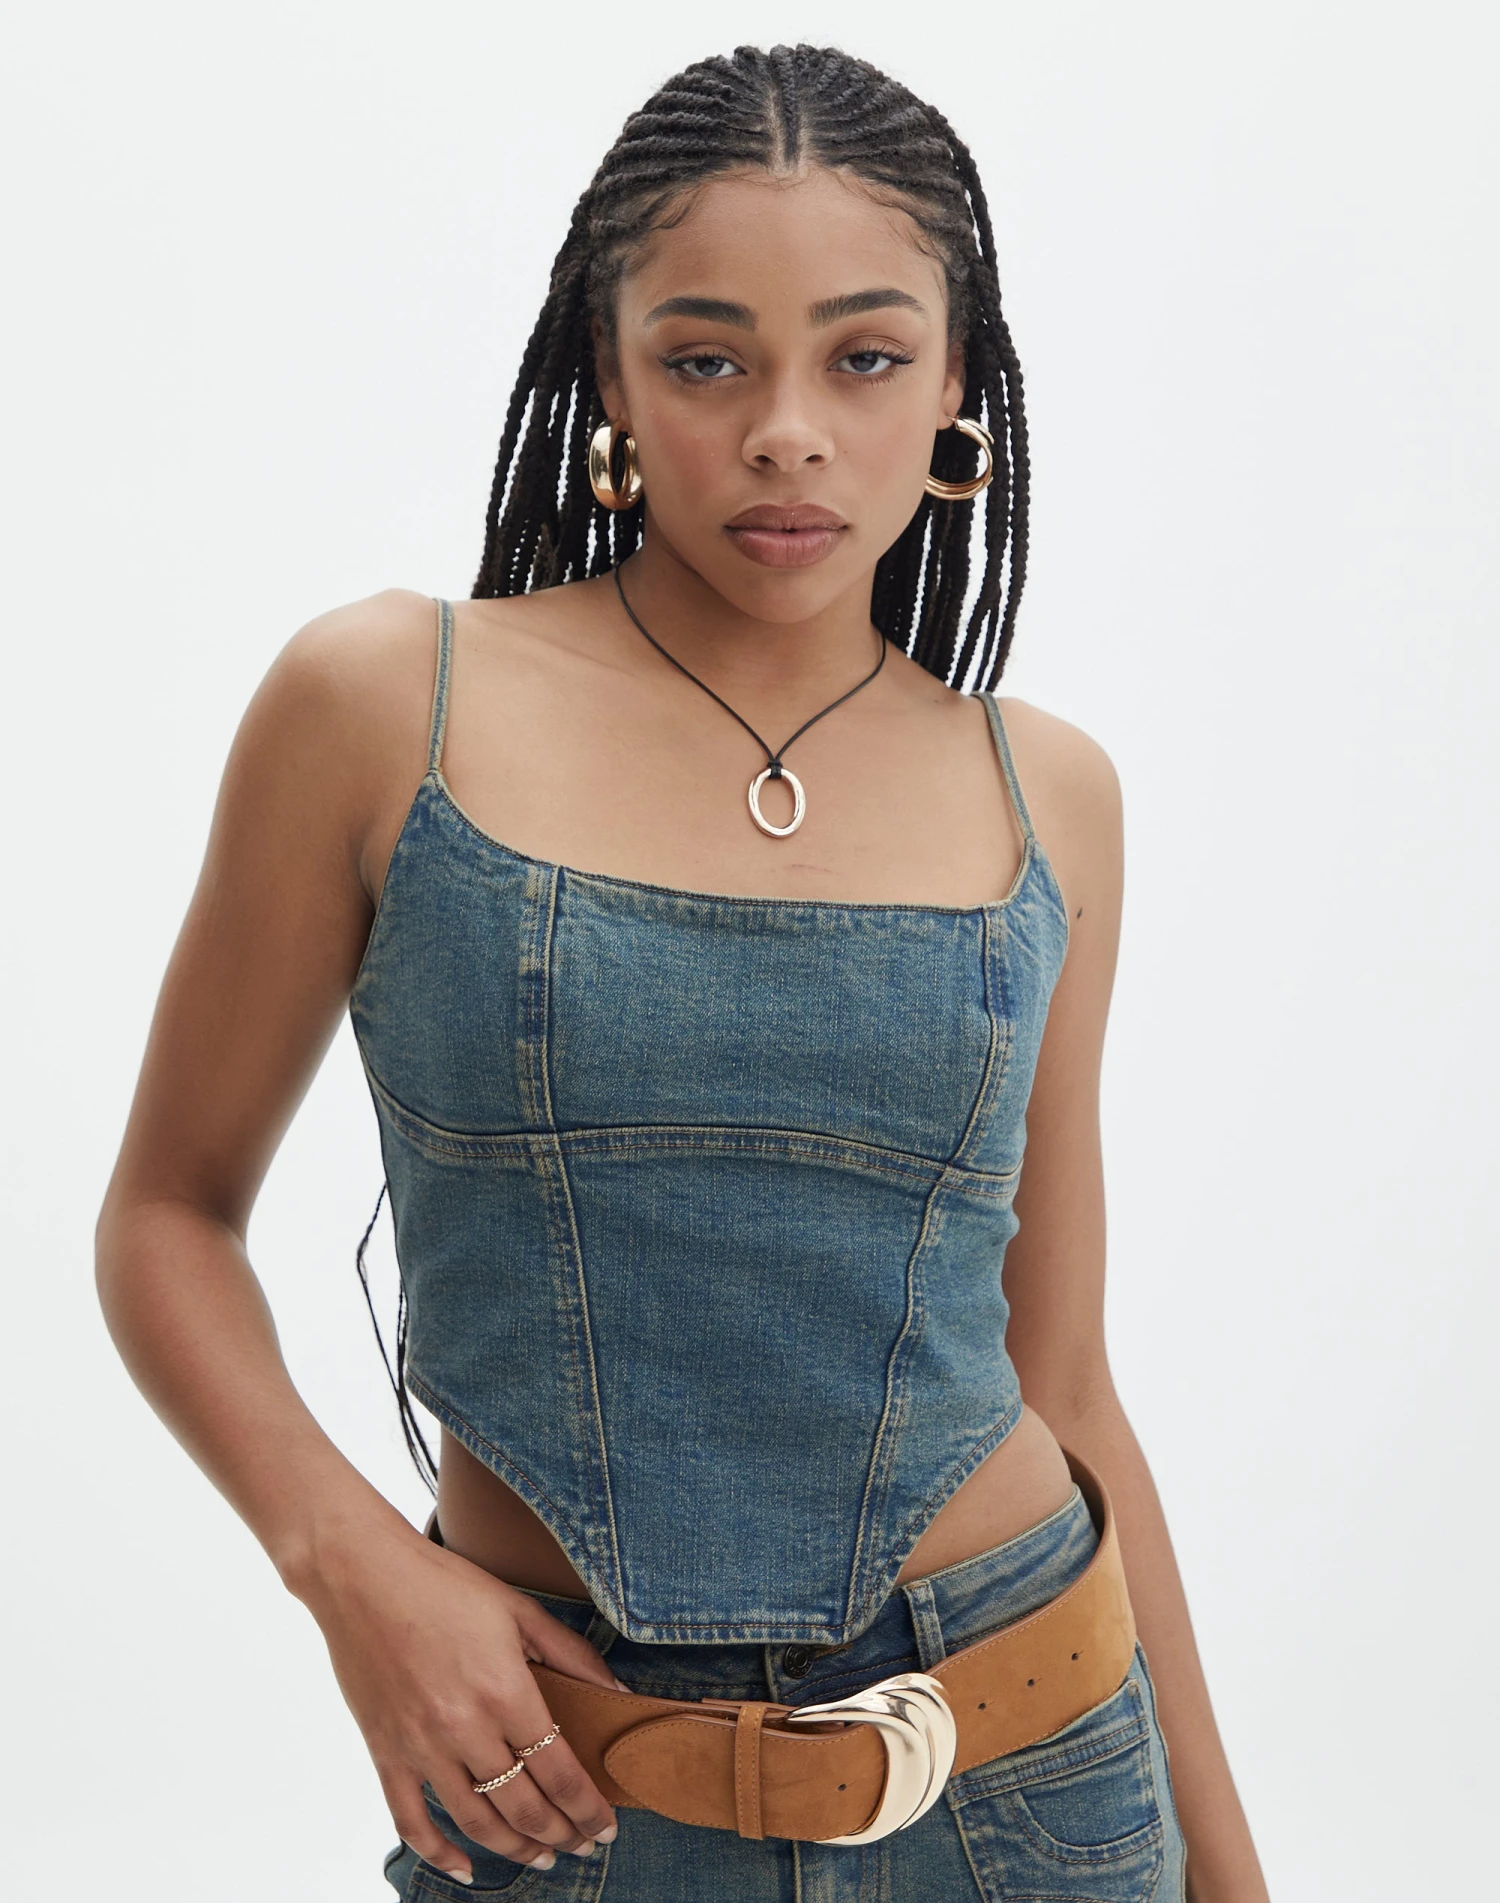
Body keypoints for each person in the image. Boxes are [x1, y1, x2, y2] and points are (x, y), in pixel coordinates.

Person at [96, 42, 1270, 1903]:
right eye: (710, 358)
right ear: (612, 374)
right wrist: (354, 1567)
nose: (788, 430)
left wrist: (1233, 1874)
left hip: (1031, 1779)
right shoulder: (385, 704)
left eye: (864, 358)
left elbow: (1064, 1377)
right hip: (558, 1796)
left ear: (956, 386)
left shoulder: (1047, 793)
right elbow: (167, 1213)